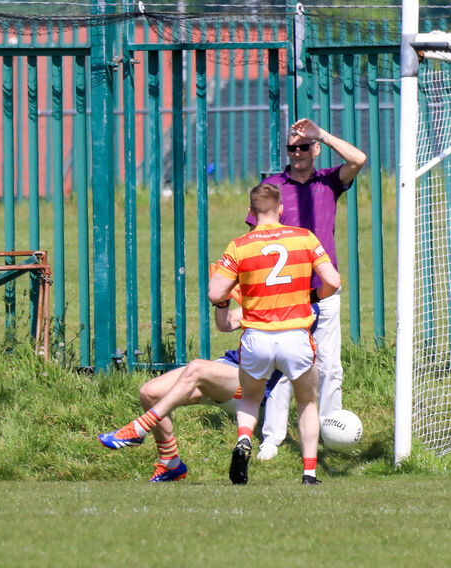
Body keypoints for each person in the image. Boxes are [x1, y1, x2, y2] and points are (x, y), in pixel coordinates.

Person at [250, 117, 366, 461]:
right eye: (292, 147)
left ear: (315, 149)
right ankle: (272, 438)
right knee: (285, 368)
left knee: (330, 366)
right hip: (286, 296)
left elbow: (358, 160)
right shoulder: (272, 186)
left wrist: (324, 135)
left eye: (304, 146)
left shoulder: (328, 180)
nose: (298, 153)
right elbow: (256, 239)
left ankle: (331, 432)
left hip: (325, 293)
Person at [97, 266, 281, 483]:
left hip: (251, 385)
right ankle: (170, 463)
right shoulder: (259, 301)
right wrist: (222, 300)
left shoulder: (292, 310)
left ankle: (138, 429)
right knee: (150, 392)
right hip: (227, 370)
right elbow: (225, 324)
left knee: (197, 368)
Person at [210, 183, 341, 485]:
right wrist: (314, 297)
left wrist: (223, 300)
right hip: (296, 335)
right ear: (281, 209)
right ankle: (309, 474)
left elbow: (216, 291)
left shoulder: (239, 246)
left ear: (251, 212)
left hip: (257, 337)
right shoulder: (305, 238)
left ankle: (244, 440)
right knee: (307, 402)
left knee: (250, 400)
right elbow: (333, 280)